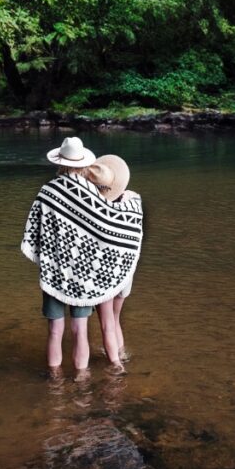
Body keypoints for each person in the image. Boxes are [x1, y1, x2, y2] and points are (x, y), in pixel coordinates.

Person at [21, 136, 143, 378]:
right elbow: (107, 225)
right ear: (83, 163)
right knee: (80, 330)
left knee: (55, 331)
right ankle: (81, 378)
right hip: (84, 276)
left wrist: (49, 257)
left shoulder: (48, 191)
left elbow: (35, 230)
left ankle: (55, 378)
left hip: (54, 270)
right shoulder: (92, 193)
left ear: (59, 161)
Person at [83, 155, 141, 365]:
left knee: (106, 323)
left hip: (106, 273)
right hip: (127, 270)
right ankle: (121, 354)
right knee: (115, 319)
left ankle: (116, 367)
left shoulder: (96, 211)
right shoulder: (135, 202)